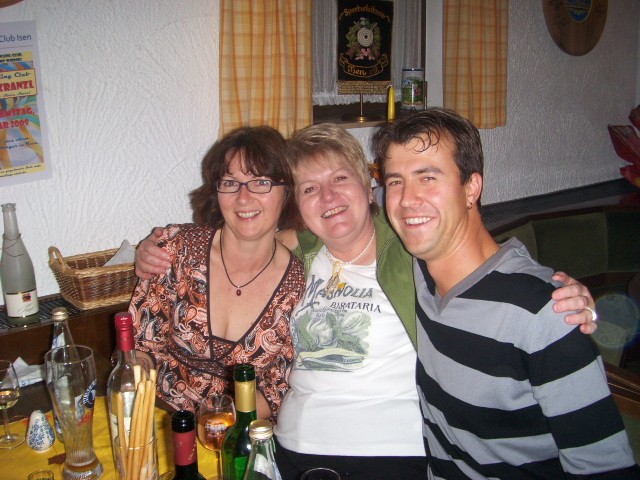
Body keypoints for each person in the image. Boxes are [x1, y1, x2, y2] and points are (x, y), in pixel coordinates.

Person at [135, 124, 597, 480]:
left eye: (340, 178)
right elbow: (246, 231)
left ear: (368, 184)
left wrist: (554, 289)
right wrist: (151, 249)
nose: (327, 197)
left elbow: (475, 257)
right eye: (309, 188)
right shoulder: (302, 253)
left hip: (387, 457)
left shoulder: (409, 249)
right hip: (287, 453)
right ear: (299, 205)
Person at [376, 107, 639, 478]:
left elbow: (606, 470)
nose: (406, 200)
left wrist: (559, 304)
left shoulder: (546, 313)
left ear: (471, 188)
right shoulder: (417, 268)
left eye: (428, 177)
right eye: (395, 182)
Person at [128, 126, 306, 419]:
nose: (243, 198)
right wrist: (138, 383)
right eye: (230, 183)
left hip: (240, 427)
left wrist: (219, 425)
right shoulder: (177, 249)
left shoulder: (298, 284)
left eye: (261, 182)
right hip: (160, 417)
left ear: (287, 192)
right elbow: (141, 343)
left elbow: (278, 388)